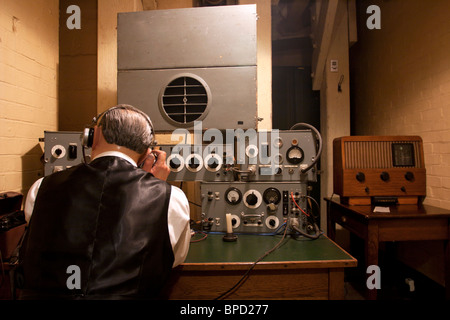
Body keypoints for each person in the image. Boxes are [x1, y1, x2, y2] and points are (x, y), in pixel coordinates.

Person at [18, 104, 191, 299]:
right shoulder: (171, 198)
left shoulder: (41, 187)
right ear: (147, 152)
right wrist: (156, 188)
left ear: (92, 136)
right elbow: (172, 259)